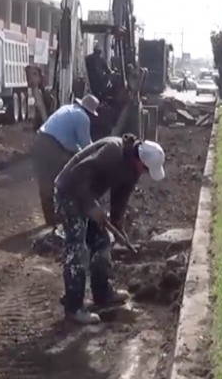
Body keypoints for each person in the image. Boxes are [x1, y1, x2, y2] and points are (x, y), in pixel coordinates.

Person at [54, 134, 166, 324]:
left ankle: (103, 293)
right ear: (139, 160)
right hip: (69, 191)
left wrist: (117, 223)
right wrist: (91, 206)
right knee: (77, 249)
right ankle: (74, 308)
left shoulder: (132, 169)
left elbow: (120, 197)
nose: (144, 174)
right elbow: (79, 177)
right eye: (145, 169)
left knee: (103, 240)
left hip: (87, 194)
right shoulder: (112, 152)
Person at [30, 94, 100, 227]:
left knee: (45, 183)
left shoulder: (67, 108)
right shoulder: (83, 117)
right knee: (66, 178)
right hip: (53, 146)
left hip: (39, 142)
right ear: (90, 112)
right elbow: (86, 146)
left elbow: (69, 142)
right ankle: (70, 213)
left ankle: (50, 220)